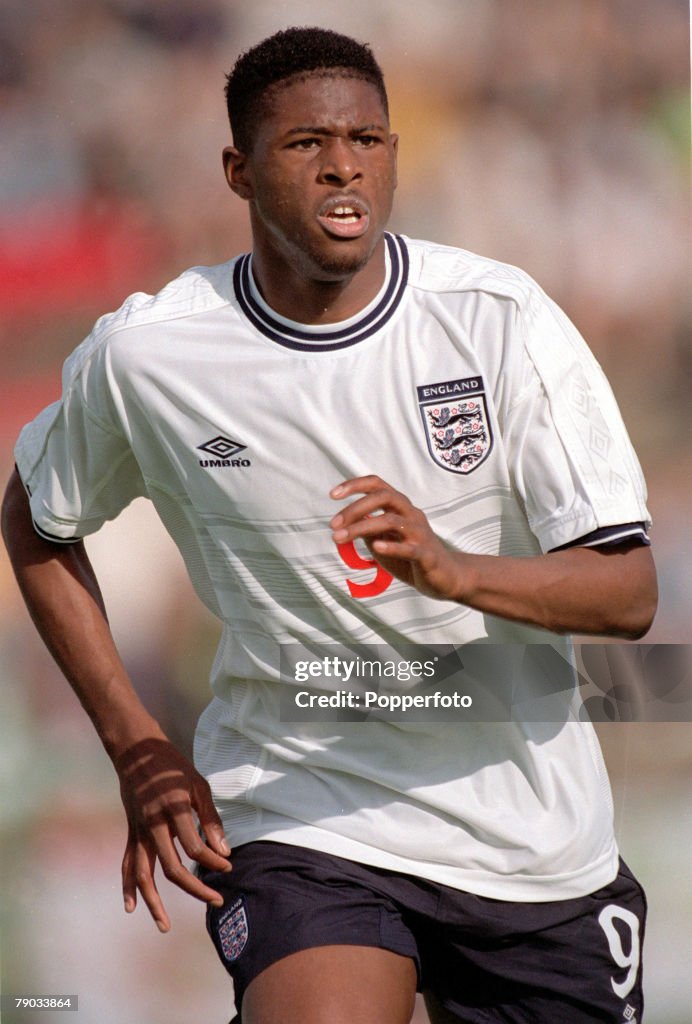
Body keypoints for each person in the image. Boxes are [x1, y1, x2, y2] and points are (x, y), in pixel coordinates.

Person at [2, 26, 657, 1024]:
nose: (344, 164)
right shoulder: (152, 356)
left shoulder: (497, 319)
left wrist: (451, 570)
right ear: (239, 168)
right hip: (301, 813)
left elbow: (627, 591)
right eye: (305, 143)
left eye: (368, 138)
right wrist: (135, 739)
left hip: (527, 842)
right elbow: (37, 518)